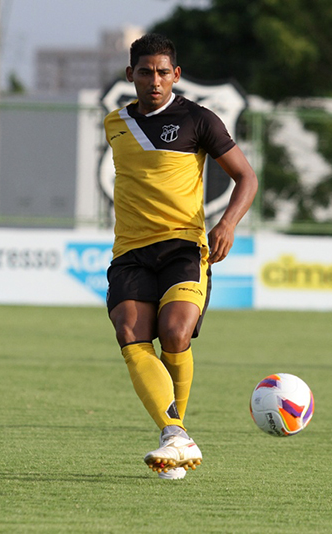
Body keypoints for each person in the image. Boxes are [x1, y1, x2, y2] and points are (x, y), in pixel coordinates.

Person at [104, 34, 258, 479]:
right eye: (146, 72)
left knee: (174, 332)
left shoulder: (198, 119)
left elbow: (246, 177)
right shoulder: (115, 123)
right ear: (131, 74)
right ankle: (175, 434)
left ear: (177, 74)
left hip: (184, 247)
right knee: (130, 333)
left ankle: (174, 435)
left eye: (163, 72)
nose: (155, 80)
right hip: (131, 250)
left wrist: (227, 224)